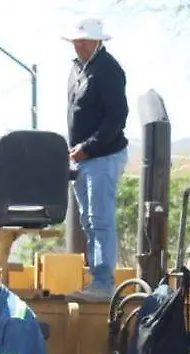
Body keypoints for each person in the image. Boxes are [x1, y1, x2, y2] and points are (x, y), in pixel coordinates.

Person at [64, 17, 129, 303]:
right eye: (76, 41)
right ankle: (98, 280)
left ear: (96, 41)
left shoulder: (108, 70)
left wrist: (88, 147)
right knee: (90, 222)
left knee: (99, 221)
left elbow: (117, 117)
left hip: (101, 156)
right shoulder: (78, 68)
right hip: (83, 158)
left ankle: (103, 283)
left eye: (83, 40)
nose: (78, 45)